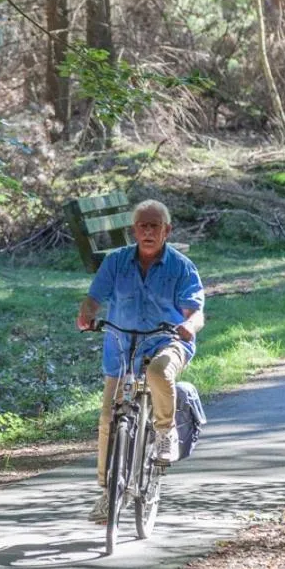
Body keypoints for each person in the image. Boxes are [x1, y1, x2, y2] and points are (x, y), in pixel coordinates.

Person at [75, 199, 205, 523]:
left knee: (159, 372)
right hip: (122, 347)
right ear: (134, 231)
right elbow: (94, 298)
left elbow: (196, 312)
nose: (148, 231)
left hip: (167, 342)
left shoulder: (181, 266)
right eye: (142, 226)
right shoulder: (116, 262)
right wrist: (86, 314)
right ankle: (108, 492)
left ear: (167, 231)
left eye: (154, 226)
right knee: (108, 419)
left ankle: (164, 432)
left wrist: (189, 326)